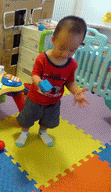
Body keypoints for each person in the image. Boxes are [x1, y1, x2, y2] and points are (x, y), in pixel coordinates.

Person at [15, 15, 90, 148]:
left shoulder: (72, 64)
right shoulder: (42, 58)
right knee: (27, 118)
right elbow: (35, 74)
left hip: (53, 101)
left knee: (48, 120)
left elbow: (70, 82)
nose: (65, 54)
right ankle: (24, 133)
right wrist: (39, 84)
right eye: (62, 48)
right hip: (35, 98)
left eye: (72, 50)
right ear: (53, 40)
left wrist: (77, 92)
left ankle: (42, 132)